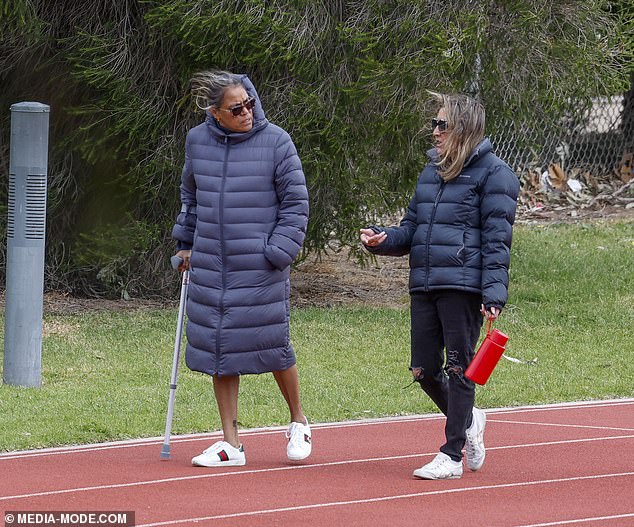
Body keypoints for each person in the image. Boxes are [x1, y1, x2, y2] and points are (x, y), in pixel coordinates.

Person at [360, 92, 519, 480]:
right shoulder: (432, 170)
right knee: (422, 369)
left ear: (463, 128)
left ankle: (451, 455)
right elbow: (413, 228)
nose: (434, 131)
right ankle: (470, 419)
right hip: (425, 282)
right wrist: (385, 239)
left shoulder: (496, 175)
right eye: (434, 123)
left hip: (462, 285)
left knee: (459, 369)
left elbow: (497, 242)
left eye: (441, 124)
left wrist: (493, 293)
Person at [172, 70, 311, 467]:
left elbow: (296, 204)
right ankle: (231, 443)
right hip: (212, 265)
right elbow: (190, 196)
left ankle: (298, 420)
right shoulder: (198, 142)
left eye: (249, 103)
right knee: (219, 348)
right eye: (236, 109)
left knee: (273, 344)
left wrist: (278, 252)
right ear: (216, 114)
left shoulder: (277, 141)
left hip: (260, 266)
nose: (246, 112)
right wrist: (185, 243)